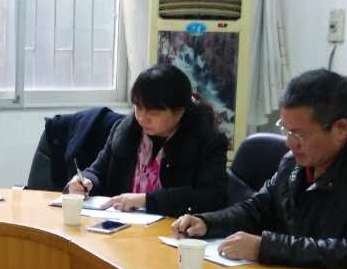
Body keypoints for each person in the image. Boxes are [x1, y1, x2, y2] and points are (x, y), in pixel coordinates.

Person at [171, 69, 347, 269]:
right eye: (285, 130)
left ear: (340, 129)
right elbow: (258, 208)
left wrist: (265, 247)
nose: (289, 143)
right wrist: (207, 222)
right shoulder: (294, 163)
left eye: (299, 134)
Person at [66, 63, 230, 217]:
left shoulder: (207, 142)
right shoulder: (125, 130)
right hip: (120, 225)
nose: (142, 118)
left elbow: (211, 197)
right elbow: (98, 171)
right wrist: (85, 182)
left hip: (172, 229)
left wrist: (146, 200)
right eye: (138, 108)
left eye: (154, 113)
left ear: (179, 112)